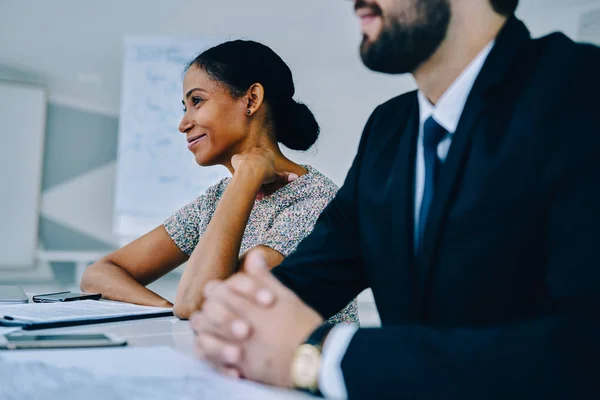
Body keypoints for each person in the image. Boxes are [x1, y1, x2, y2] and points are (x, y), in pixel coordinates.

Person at [190, 0, 600, 398]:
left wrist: (325, 358)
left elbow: (583, 351)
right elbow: (310, 277)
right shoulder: (390, 128)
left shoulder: (581, 90)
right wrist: (238, 317)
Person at [81, 40, 358, 324]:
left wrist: (248, 175)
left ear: (251, 100)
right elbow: (100, 274)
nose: (183, 123)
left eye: (197, 101)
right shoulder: (215, 200)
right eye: (184, 107)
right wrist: (165, 310)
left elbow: (199, 305)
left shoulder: (317, 202)